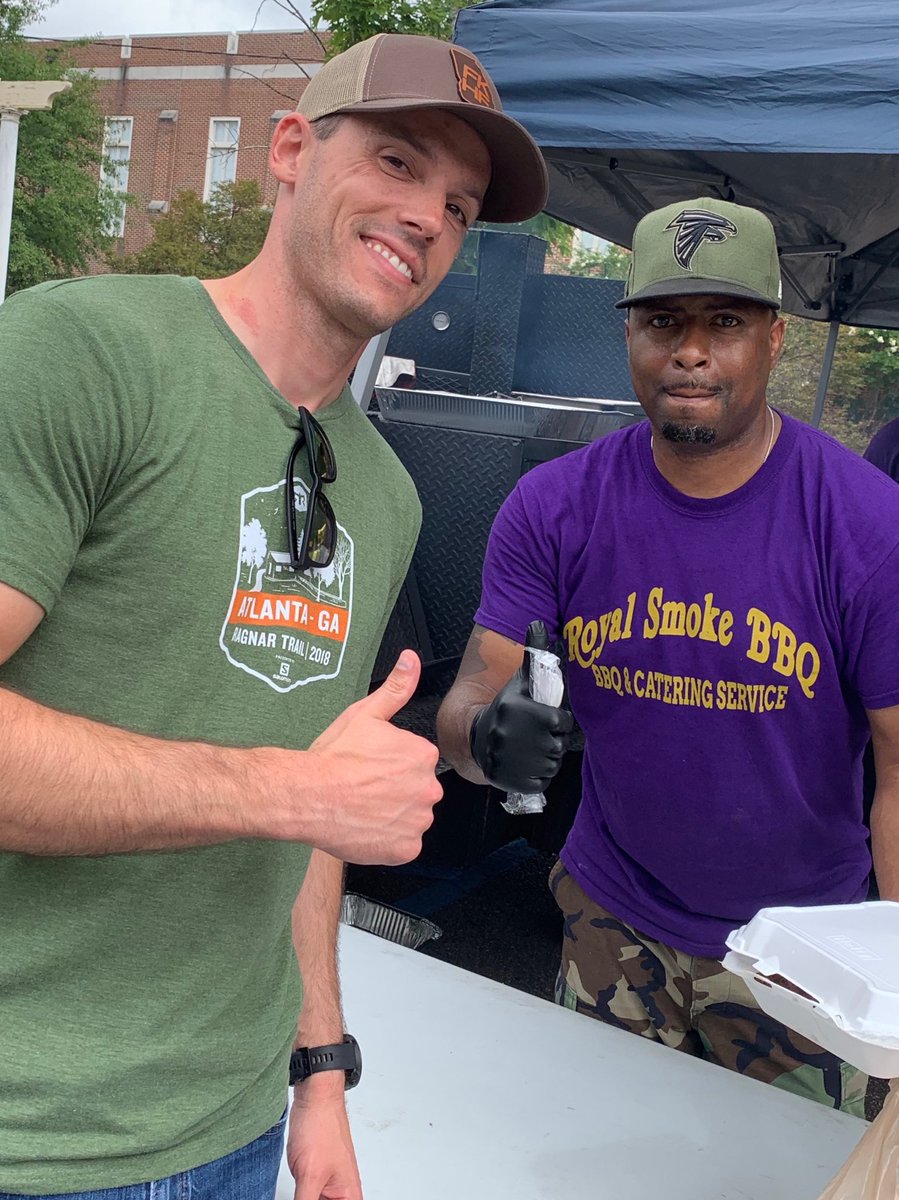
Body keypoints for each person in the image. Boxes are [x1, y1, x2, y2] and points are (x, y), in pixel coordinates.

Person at [0, 32, 547, 1200]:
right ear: (290, 150)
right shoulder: (81, 353)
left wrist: (321, 1076)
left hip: (235, 1133)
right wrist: (287, 790)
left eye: (456, 205)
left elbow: (313, 805)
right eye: (397, 163)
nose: (426, 218)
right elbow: (300, 793)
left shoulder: (386, 493)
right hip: (32, 1138)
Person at [437, 197, 899, 1118]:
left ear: (772, 340)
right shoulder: (553, 506)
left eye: (723, 322)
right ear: (629, 337)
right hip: (612, 917)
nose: (690, 350)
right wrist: (485, 741)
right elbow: (462, 709)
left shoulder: (864, 525)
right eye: (662, 321)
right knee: (592, 1162)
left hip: (796, 955)